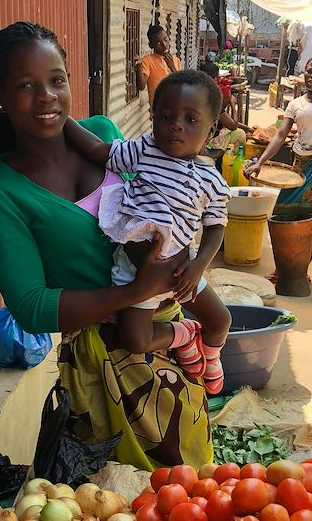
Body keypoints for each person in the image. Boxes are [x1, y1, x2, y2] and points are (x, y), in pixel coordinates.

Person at [0, 22, 212, 470]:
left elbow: (161, 208)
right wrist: (132, 293)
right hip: (103, 371)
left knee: (195, 486)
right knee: (121, 496)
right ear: (0, 99)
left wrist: (190, 276)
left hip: (166, 339)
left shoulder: (103, 135)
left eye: (57, 80)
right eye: (27, 86)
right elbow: (31, 306)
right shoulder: (4, 195)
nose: (47, 96)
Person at [65, 70, 232, 395]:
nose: (176, 125)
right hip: (136, 277)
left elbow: (216, 228)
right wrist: (65, 120)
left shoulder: (211, 180)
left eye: (190, 119)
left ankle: (211, 356)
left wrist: (199, 267)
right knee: (135, 340)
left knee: (221, 320)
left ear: (211, 128)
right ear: (154, 119)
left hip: (183, 272)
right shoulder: (143, 151)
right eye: (166, 116)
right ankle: (184, 333)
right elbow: (100, 151)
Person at [245, 56, 312, 282]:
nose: (311, 76)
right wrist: (260, 162)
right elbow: (281, 135)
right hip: (299, 167)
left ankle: (301, 271)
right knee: (283, 214)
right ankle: (281, 269)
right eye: (308, 71)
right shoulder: (295, 105)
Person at [200, 60, 254, 150]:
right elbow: (233, 126)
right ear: (214, 79)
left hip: (198, 137)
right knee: (240, 134)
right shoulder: (211, 100)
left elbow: (224, 119)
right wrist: (233, 105)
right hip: (205, 144)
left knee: (245, 132)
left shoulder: (198, 92)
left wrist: (247, 128)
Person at [134, 24, 181, 109]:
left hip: (176, 109)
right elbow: (141, 86)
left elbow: (183, 85)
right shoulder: (148, 60)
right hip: (159, 111)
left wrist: (173, 68)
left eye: (165, 40)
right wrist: (139, 65)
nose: (164, 45)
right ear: (151, 45)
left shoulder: (175, 60)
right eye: (158, 43)